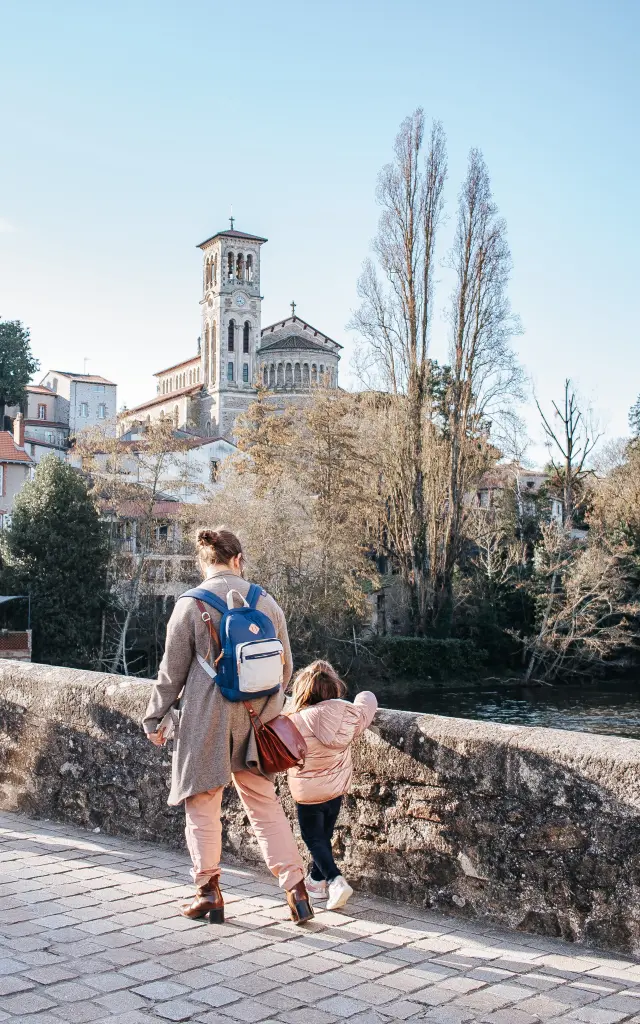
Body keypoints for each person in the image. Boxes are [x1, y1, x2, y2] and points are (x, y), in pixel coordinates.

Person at [143, 527, 313, 925]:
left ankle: (209, 895)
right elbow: (284, 666)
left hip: (207, 716)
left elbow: (172, 672)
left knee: (203, 803)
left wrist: (155, 716)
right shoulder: (266, 602)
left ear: (204, 564)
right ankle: (296, 891)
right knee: (264, 804)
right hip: (259, 717)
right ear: (238, 560)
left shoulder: (189, 606)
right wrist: (265, 705)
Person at [286, 660, 377, 910]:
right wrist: (363, 696)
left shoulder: (295, 719)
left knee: (313, 838)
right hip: (335, 789)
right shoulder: (349, 716)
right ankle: (316, 882)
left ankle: (335, 880)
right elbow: (368, 700)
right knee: (324, 836)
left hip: (308, 793)